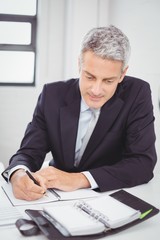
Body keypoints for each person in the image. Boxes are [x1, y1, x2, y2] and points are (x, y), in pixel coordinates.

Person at [2, 25, 157, 201]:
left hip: (109, 196)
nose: (96, 90)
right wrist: (18, 174)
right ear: (79, 65)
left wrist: (78, 179)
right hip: (55, 197)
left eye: (108, 81)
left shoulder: (137, 93)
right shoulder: (52, 95)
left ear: (123, 75)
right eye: (89, 77)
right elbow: (29, 152)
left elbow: (143, 163)